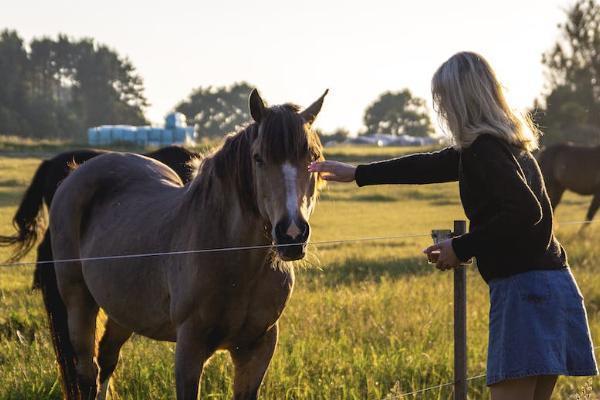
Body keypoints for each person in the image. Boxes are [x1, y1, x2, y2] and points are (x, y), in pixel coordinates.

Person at [308, 51, 597, 400]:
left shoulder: (485, 149)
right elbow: (426, 166)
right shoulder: (504, 145)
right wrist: (358, 173)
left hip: (525, 293)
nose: (441, 109)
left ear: (461, 100)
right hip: (553, 285)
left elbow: (524, 211)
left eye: (443, 99)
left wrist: (460, 248)